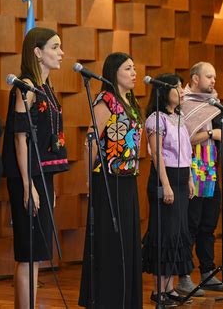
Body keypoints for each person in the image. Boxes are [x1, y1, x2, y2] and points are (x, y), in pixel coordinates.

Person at [2, 27, 69, 308]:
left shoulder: (46, 88)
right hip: (27, 176)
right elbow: (20, 139)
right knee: (29, 252)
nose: (61, 52)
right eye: (55, 47)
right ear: (37, 52)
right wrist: (29, 183)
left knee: (38, 251)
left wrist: (45, 184)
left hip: (43, 176)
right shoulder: (25, 87)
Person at [79, 52, 143, 308]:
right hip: (107, 181)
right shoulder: (105, 100)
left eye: (134, 67)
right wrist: (88, 182)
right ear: (114, 72)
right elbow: (90, 143)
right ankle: (107, 299)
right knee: (110, 242)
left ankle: (126, 298)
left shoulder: (130, 101)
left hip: (128, 180)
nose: (134, 72)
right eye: (128, 68)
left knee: (127, 242)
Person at [176, 62, 223, 296]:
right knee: (191, 225)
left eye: (215, 77)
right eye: (209, 76)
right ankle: (184, 275)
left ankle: (208, 272)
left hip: (211, 171)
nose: (213, 81)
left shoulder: (213, 103)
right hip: (191, 172)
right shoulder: (184, 102)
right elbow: (182, 139)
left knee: (209, 225)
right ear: (195, 78)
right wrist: (210, 133)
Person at [141, 74, 195, 307]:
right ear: (164, 92)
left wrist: (190, 178)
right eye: (177, 87)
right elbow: (157, 156)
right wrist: (166, 185)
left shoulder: (179, 117)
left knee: (178, 232)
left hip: (182, 178)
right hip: (167, 179)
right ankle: (158, 291)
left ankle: (170, 287)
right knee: (165, 233)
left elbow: (187, 152)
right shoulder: (156, 119)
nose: (182, 91)